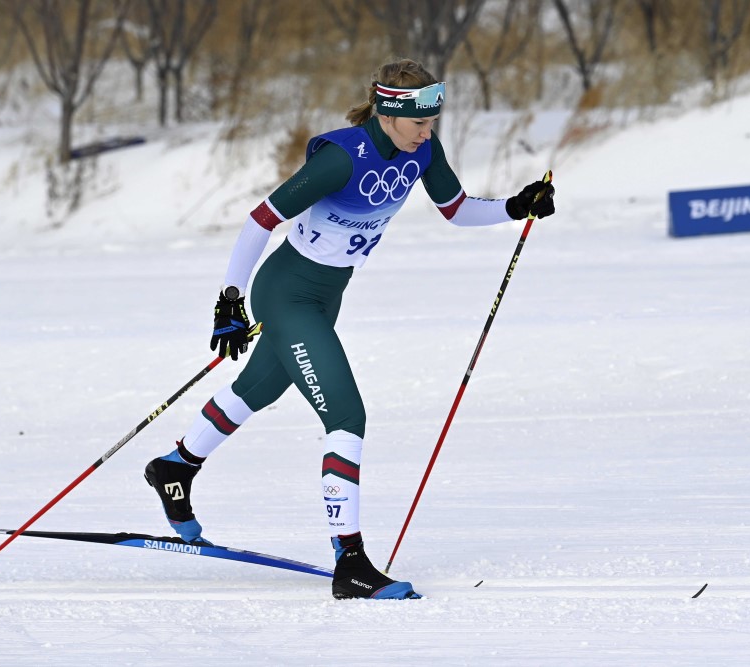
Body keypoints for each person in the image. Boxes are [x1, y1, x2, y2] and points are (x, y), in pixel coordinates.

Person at [144, 58, 555, 600]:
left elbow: (455, 210)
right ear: (387, 113)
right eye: (418, 123)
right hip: (287, 293)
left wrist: (515, 206)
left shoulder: (421, 151)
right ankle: (350, 561)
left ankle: (176, 466)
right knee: (346, 415)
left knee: (258, 389)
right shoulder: (342, 158)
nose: (427, 133)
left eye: (432, 123)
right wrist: (229, 299)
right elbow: (260, 220)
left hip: (326, 295)